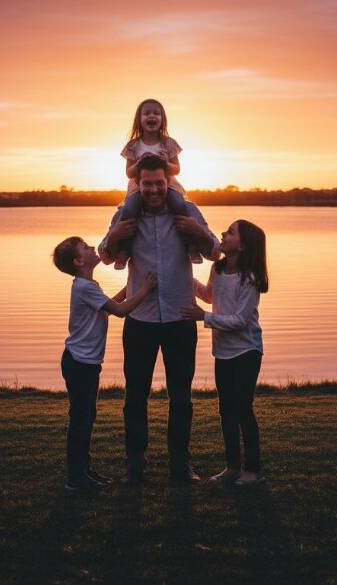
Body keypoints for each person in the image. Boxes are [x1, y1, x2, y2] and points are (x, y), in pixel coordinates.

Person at [99, 155, 220, 485]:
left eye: (159, 183)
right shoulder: (126, 213)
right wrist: (112, 237)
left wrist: (197, 229)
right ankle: (134, 467)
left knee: (181, 398)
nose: (154, 189)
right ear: (138, 184)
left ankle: (181, 466)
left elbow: (214, 251)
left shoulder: (188, 211)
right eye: (147, 184)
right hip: (140, 319)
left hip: (181, 317)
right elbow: (106, 255)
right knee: (134, 397)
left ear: (169, 183)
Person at [53, 236, 157, 492]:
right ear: (79, 261)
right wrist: (145, 289)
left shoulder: (87, 285)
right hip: (80, 363)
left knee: (86, 418)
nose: (92, 248)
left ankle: (83, 472)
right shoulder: (85, 287)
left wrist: (132, 288)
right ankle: (75, 479)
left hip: (84, 362)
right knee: (81, 420)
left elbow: (109, 307)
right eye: (86, 248)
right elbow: (121, 311)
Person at [181, 220, 268, 487]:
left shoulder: (250, 279)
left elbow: (240, 320)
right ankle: (232, 467)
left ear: (242, 246)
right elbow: (209, 296)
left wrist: (203, 317)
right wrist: (186, 278)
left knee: (243, 409)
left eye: (230, 232)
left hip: (246, 351)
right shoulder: (217, 269)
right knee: (226, 411)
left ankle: (253, 470)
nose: (222, 234)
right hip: (223, 352)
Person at [114, 98, 200, 269]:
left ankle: (191, 246)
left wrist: (165, 162)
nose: (151, 116)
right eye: (146, 113)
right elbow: (128, 173)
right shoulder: (134, 145)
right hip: (139, 188)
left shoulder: (168, 143)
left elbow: (176, 169)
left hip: (166, 185)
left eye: (156, 113)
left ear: (162, 119)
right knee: (129, 210)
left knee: (180, 205)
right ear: (139, 120)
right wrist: (139, 164)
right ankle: (123, 251)